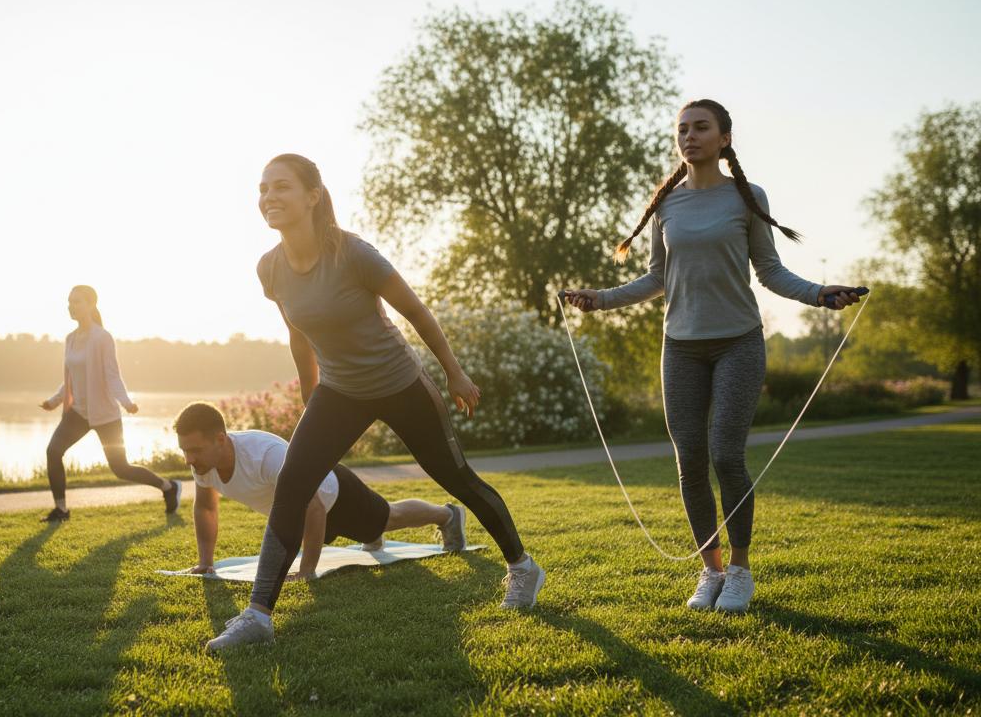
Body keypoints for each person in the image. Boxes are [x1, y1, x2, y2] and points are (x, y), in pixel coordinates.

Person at [206, 154, 544, 653]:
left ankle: (522, 566)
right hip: (339, 391)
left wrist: (454, 371)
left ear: (313, 196)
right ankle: (258, 614)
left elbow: (416, 312)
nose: (268, 198)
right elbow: (297, 332)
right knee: (293, 486)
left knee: (455, 477)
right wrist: (309, 393)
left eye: (281, 187)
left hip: (400, 382)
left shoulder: (353, 254)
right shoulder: (271, 268)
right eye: (262, 189)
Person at [564, 99, 862, 613]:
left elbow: (770, 272)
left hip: (738, 342)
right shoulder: (667, 205)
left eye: (701, 128)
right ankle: (711, 572)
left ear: (724, 138)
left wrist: (818, 294)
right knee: (690, 462)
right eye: (682, 129)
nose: (689, 136)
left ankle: (741, 572)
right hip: (680, 348)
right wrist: (602, 297)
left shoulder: (746, 197)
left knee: (726, 454)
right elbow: (657, 278)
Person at [172, 401, 467, 579]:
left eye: (194, 450)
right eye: (185, 450)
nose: (188, 459)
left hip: (335, 495)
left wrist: (307, 570)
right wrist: (206, 564)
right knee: (367, 530)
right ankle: (371, 533)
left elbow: (313, 507)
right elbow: (206, 508)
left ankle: (448, 515)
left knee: (389, 516)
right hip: (307, 516)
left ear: (220, 439)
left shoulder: (266, 454)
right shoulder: (203, 465)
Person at [38, 285, 181, 522]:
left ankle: (168, 487)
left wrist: (126, 402)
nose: (71, 306)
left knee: (120, 468)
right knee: (53, 452)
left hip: (105, 415)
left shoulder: (102, 338)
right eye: (69, 302)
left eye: (77, 302)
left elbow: (112, 375)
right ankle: (61, 510)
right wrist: (54, 401)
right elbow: (71, 379)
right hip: (78, 414)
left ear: (91, 304)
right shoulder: (71, 339)